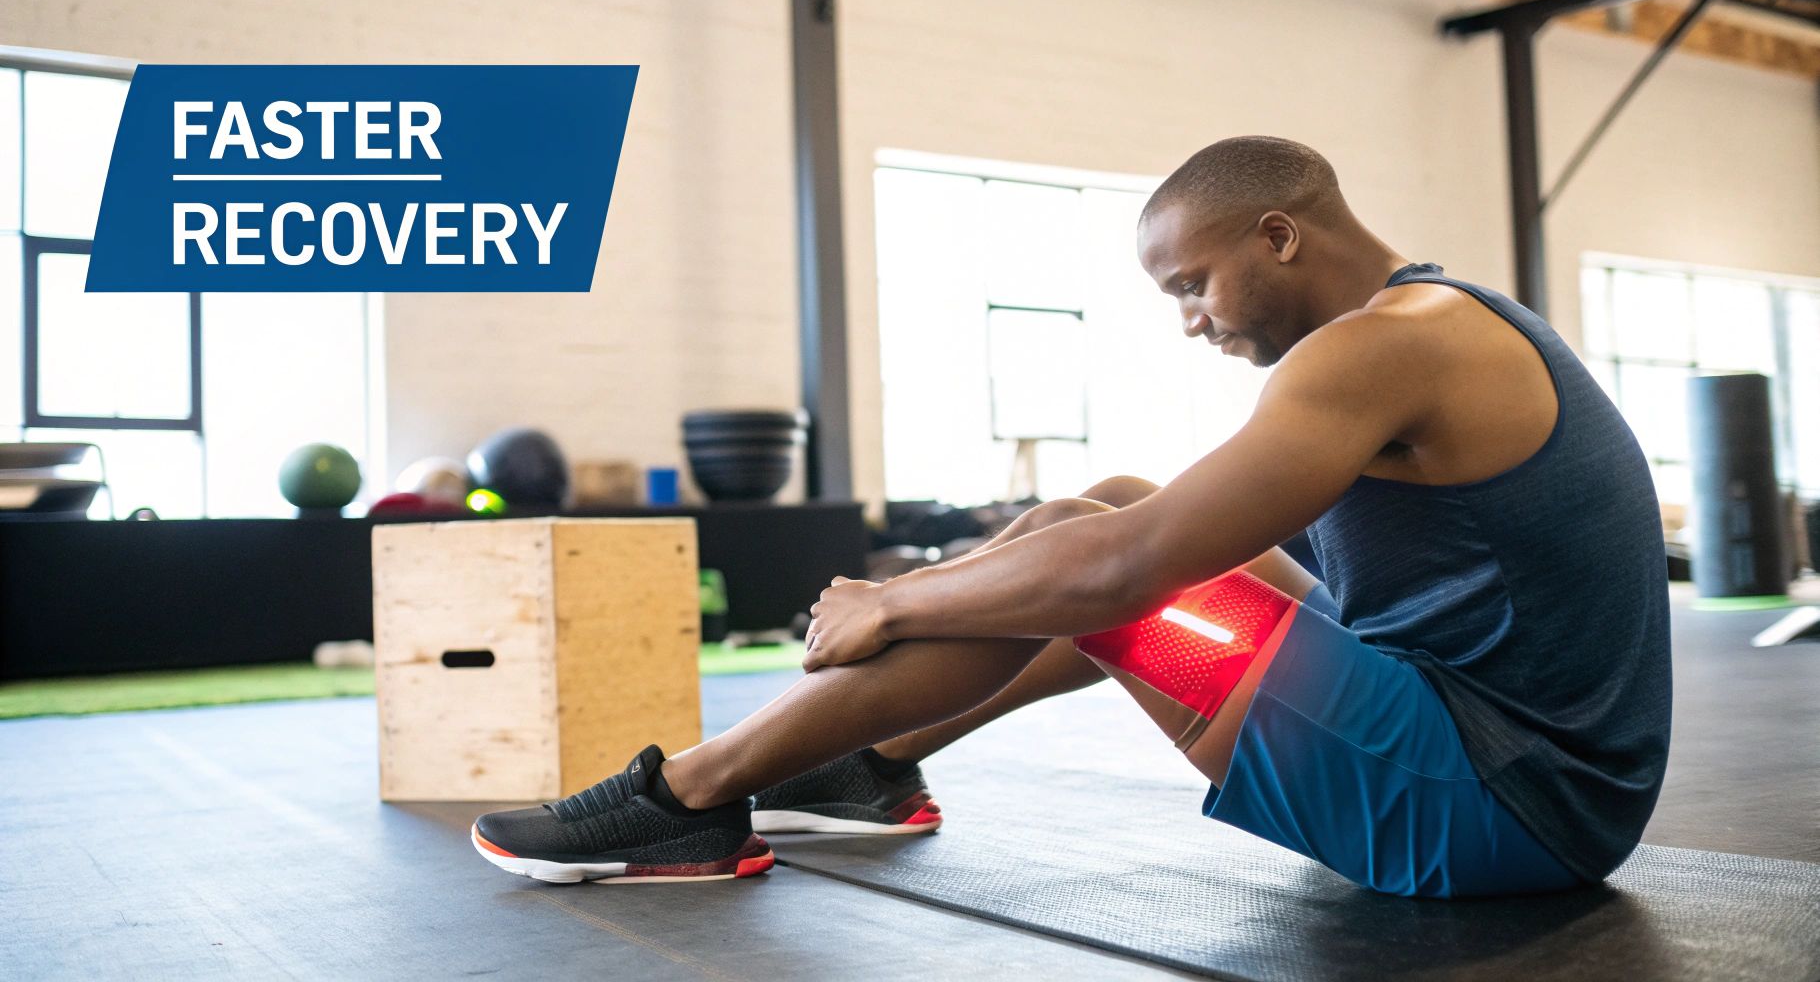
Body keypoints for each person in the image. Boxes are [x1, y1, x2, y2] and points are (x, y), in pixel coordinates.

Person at [469, 136, 1671, 897]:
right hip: (1509, 766)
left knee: (1104, 565)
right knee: (1100, 511)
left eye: (1192, 284)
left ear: (1278, 235)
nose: (1190, 321)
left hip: (1497, 807)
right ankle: (870, 766)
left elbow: (1123, 574)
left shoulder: (1378, 349)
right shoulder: (1431, 321)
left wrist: (895, 597)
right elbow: (1138, 534)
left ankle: (686, 798)